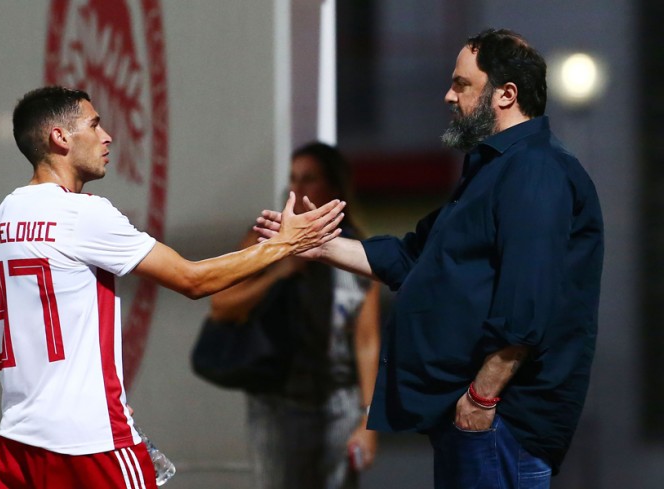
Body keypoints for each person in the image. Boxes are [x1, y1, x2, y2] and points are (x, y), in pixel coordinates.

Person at [255, 29, 604, 489]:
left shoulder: (536, 169)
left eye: (461, 84)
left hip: (502, 420)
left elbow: (526, 307)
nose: (448, 95)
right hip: (476, 418)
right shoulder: (494, 169)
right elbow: (411, 257)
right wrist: (315, 244)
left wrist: (481, 398)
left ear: (506, 94)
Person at [0, 86, 346, 489]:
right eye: (94, 125)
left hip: (17, 445)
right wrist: (285, 244)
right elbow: (193, 279)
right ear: (60, 137)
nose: (107, 137)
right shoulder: (81, 213)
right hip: (90, 443)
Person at [210, 142, 380, 489]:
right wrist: (279, 272)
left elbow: (367, 340)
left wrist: (368, 417)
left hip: (338, 401)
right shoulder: (267, 237)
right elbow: (222, 305)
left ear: (333, 186)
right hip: (279, 400)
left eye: (309, 178)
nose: (297, 187)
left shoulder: (356, 248)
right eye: (293, 178)